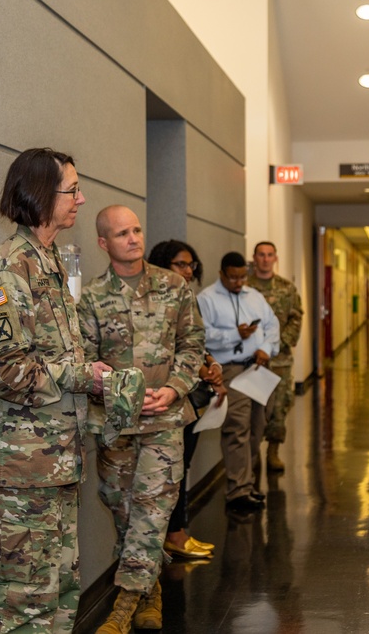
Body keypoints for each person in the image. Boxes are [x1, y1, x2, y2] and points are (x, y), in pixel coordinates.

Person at [0, 148, 111, 633]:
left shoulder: (47, 264)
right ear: (41, 194)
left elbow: (56, 358)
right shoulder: (2, 273)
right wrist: (86, 377)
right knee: (19, 607)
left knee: (58, 596)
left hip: (56, 467)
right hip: (18, 476)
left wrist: (88, 371)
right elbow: (4, 371)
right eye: (72, 190)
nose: (81, 199)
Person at [77, 207, 205, 633]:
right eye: (121, 233)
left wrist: (174, 387)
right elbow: (86, 361)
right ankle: (151, 592)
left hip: (165, 420)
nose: (133, 238)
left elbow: (192, 343)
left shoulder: (173, 285)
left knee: (152, 512)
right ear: (103, 243)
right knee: (124, 511)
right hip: (116, 423)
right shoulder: (92, 297)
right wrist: (118, 390)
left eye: (136, 230)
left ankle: (122, 609)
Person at [146, 239, 224, 560]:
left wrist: (212, 366)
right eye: (181, 264)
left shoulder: (183, 296)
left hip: (190, 396)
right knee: (172, 468)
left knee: (183, 465)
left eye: (191, 264)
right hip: (168, 399)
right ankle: (174, 535)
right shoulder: (154, 299)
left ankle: (179, 532)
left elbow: (193, 341)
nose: (189, 270)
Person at [198, 252, 279, 512]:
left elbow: (272, 325)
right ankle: (238, 490)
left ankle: (248, 482)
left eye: (242, 276)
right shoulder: (207, 299)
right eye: (233, 277)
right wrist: (235, 334)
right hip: (231, 371)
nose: (238, 282)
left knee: (257, 427)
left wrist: (265, 348)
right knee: (237, 429)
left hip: (257, 368)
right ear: (222, 274)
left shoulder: (254, 296)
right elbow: (201, 336)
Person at [246, 241, 302, 473]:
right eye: (261, 255)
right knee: (253, 408)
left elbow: (295, 319)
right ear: (255, 257)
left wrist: (277, 345)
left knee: (279, 407)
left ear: (275, 258)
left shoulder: (287, 288)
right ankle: (254, 452)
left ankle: (273, 452)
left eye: (270, 255)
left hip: (279, 360)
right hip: (252, 359)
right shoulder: (245, 287)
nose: (266, 259)